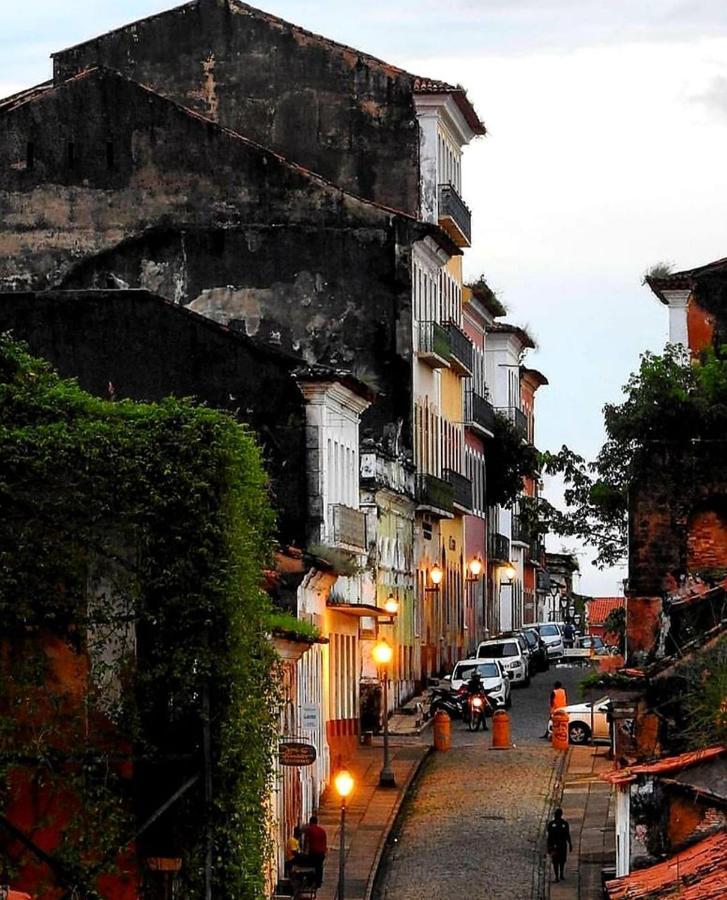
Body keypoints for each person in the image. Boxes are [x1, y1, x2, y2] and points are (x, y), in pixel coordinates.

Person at [546, 807, 573, 882]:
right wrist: (549, 847)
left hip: (562, 845)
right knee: (555, 861)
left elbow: (567, 834)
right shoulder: (551, 824)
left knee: (562, 860)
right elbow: (549, 836)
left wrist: (570, 844)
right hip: (555, 845)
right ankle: (557, 876)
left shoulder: (564, 824)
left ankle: (560, 874)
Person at [304, 814, 327, 888]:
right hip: (321, 853)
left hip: (313, 852)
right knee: (319, 867)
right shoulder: (322, 831)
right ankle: (318, 882)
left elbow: (306, 842)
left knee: (310, 867)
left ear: (311, 822)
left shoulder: (309, 830)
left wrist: (305, 851)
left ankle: (310, 882)